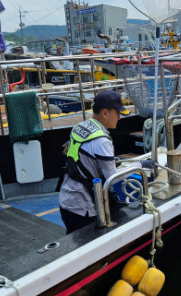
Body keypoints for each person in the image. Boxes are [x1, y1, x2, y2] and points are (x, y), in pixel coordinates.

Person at [58, 90, 154, 234]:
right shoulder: (101, 141)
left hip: (66, 201)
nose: (119, 118)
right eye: (117, 113)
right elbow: (112, 177)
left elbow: (81, 158)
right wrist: (139, 165)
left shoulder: (80, 127)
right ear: (105, 113)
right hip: (82, 209)